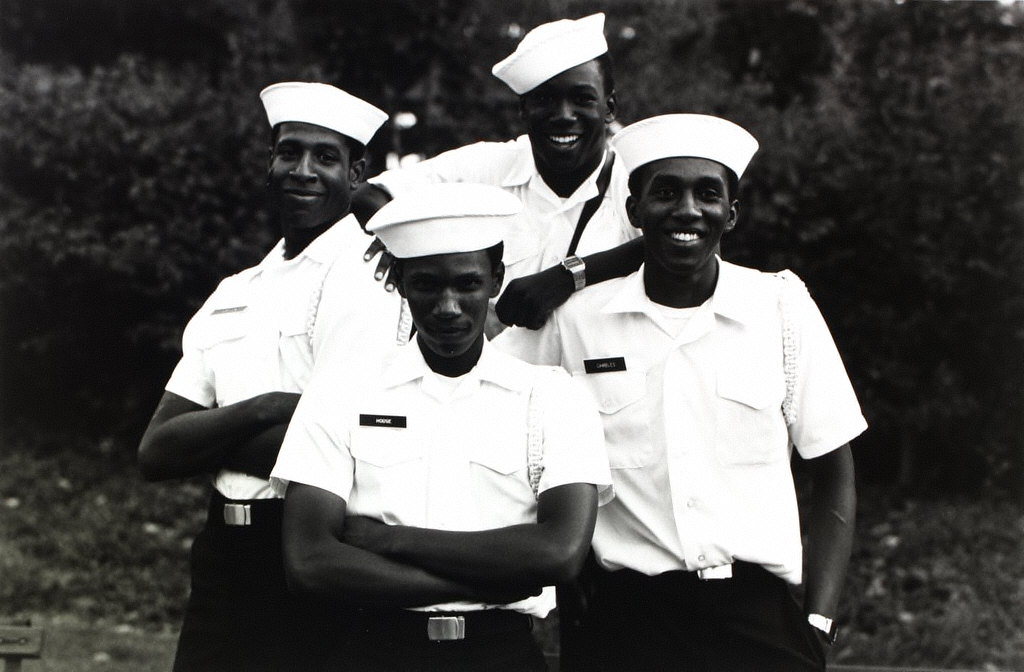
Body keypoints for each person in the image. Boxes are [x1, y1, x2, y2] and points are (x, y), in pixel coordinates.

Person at [496, 114, 866, 671]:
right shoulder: (577, 321)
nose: (687, 210)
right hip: (624, 619)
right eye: (665, 192)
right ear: (634, 211)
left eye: (707, 193)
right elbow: (492, 409)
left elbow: (833, 469)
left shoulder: (779, 309)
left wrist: (818, 620)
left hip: (757, 615)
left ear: (731, 214)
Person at [269, 183, 613, 672]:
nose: (448, 306)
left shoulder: (552, 397)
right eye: (427, 284)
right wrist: (484, 583)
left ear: (495, 280)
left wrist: (390, 540)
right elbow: (309, 561)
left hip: (501, 655)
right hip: (374, 649)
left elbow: (558, 553)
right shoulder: (341, 390)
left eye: (467, 284)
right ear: (401, 282)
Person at [137, 81, 391, 671]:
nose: (302, 170)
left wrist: (214, 439)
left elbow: (349, 451)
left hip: (311, 547)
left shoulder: (371, 280)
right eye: (289, 153)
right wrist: (266, 407)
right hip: (224, 554)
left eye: (325, 157)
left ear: (357, 175)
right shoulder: (238, 290)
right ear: (269, 164)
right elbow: (156, 450)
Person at [354, 13, 645, 335]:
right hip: (492, 380)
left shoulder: (634, 178)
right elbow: (369, 197)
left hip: (600, 380)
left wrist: (568, 276)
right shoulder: (487, 166)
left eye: (582, 99)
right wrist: (410, 245)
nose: (563, 116)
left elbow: (682, 245)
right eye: (544, 99)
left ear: (610, 107)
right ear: (523, 109)